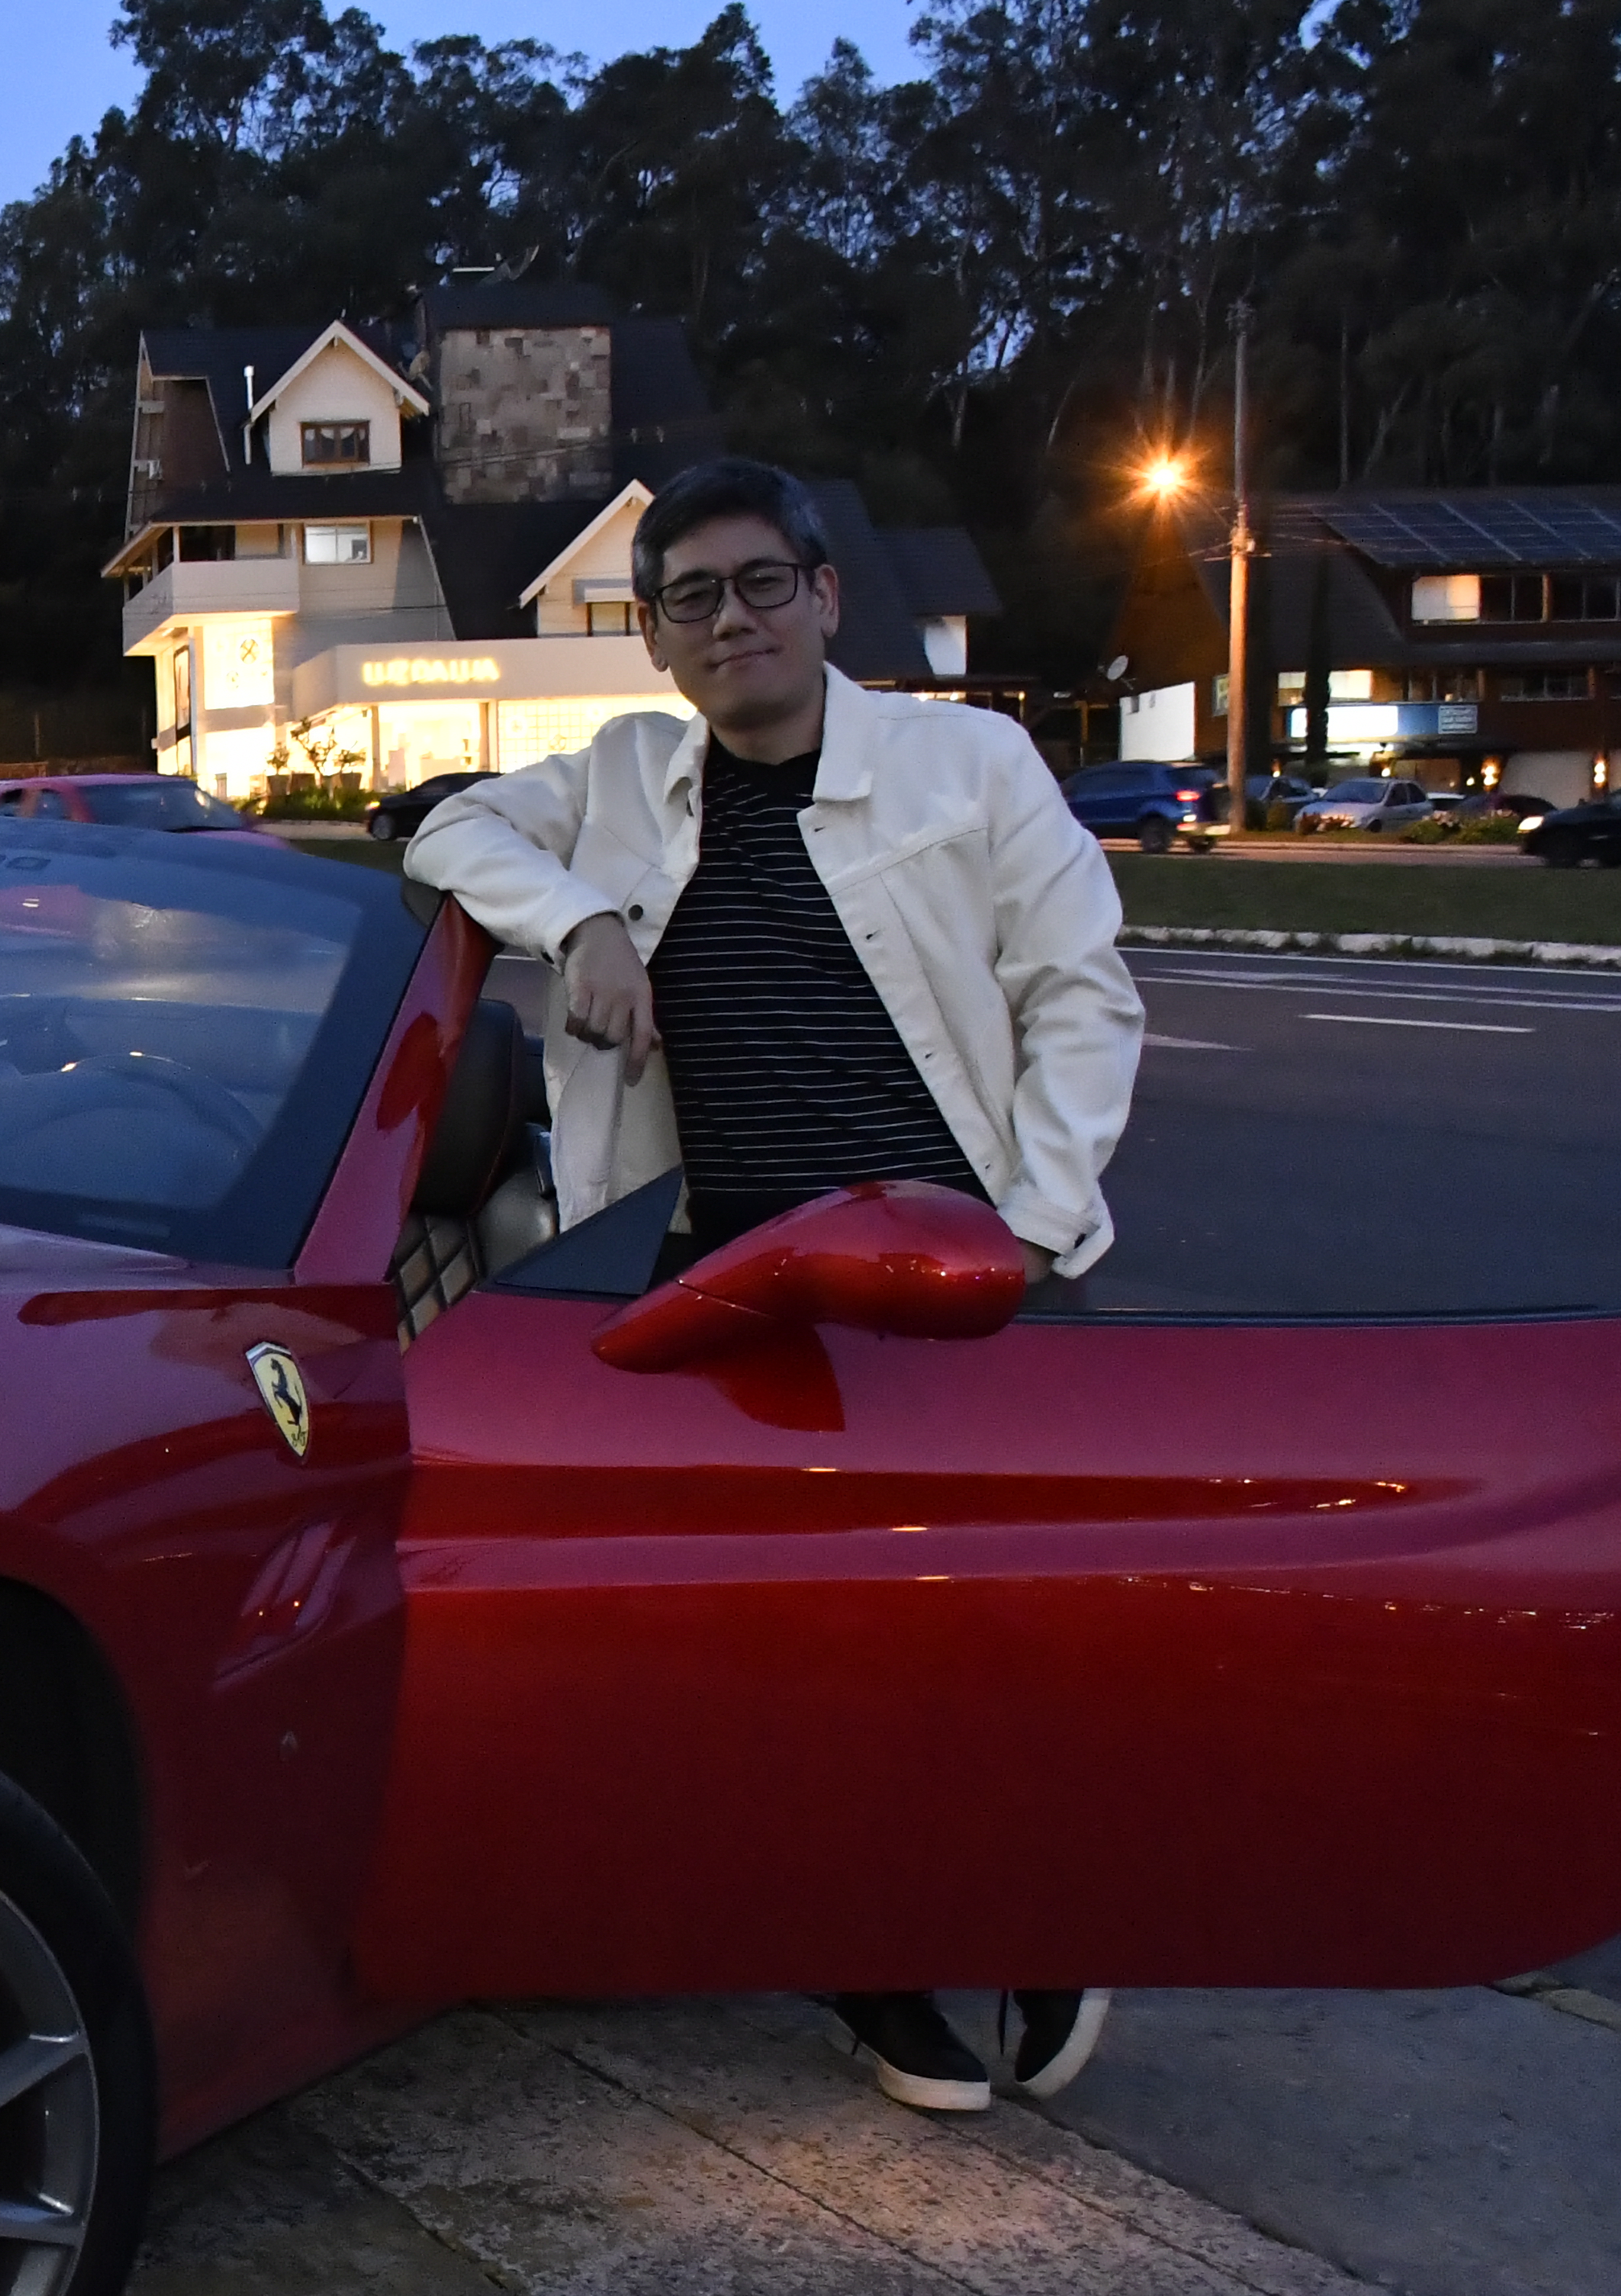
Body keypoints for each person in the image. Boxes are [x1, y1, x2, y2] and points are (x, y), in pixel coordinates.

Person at [408, 455, 1145, 2117]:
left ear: (825, 596)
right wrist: (587, 916)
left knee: (1025, 1636)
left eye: (758, 584)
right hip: (741, 1293)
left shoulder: (968, 762)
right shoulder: (623, 774)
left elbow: (1081, 996)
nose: (727, 618)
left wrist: (1030, 1230)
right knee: (813, 1653)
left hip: (968, 1268)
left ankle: (1053, 1915)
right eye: (690, 597)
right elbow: (449, 828)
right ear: (657, 639)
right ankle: (871, 1955)